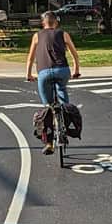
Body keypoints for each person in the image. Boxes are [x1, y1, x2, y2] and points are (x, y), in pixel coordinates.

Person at [26, 11, 81, 154]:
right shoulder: (63, 34)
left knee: (48, 107)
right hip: (62, 70)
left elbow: (30, 58)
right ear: (56, 22)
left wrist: (28, 75)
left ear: (43, 23)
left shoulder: (37, 36)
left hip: (43, 73)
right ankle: (64, 128)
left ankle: (49, 143)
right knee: (63, 99)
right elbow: (74, 53)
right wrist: (76, 70)